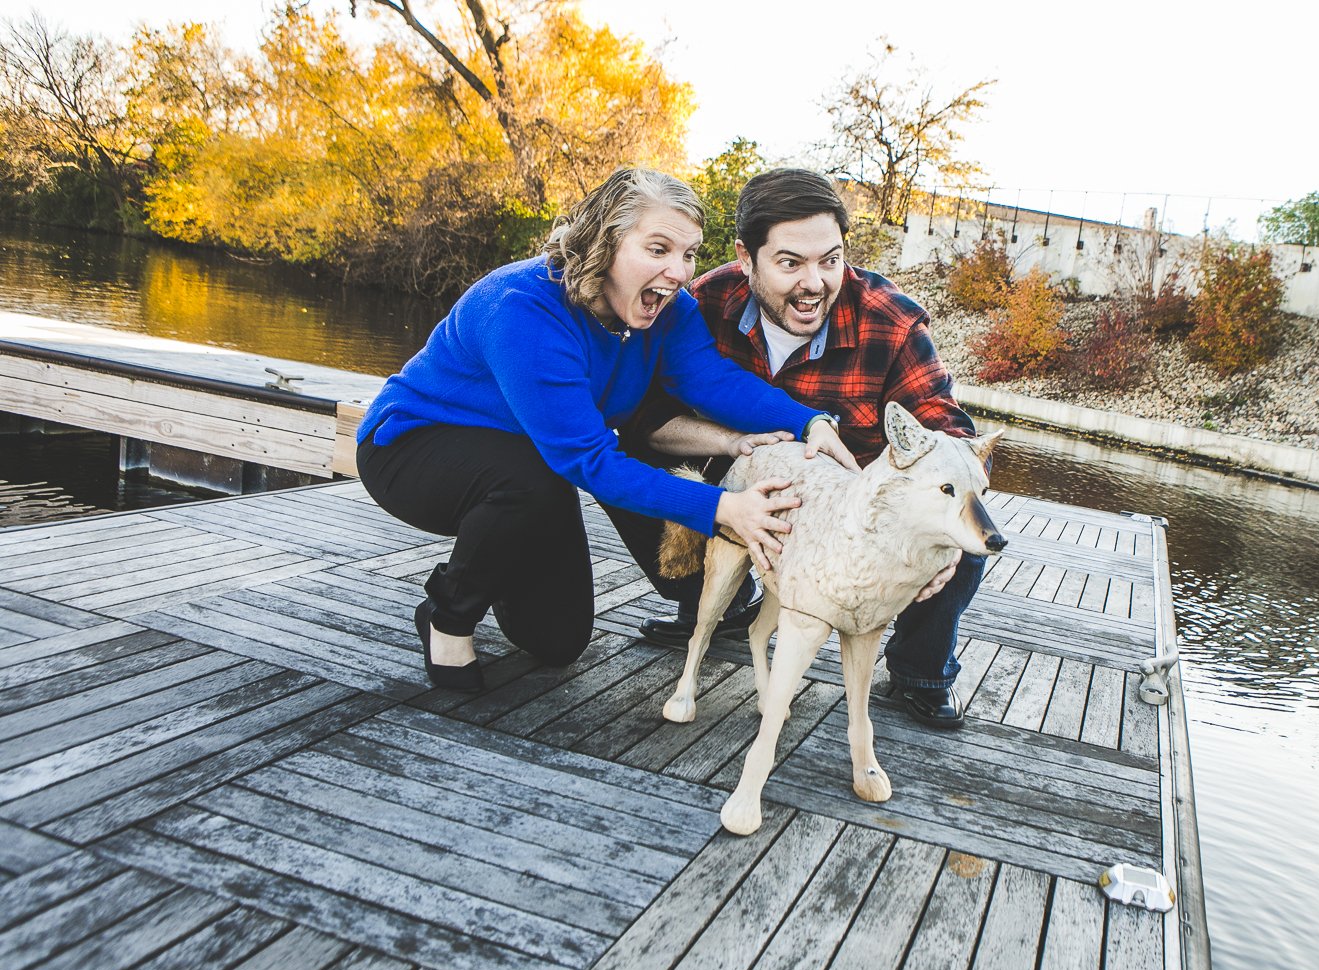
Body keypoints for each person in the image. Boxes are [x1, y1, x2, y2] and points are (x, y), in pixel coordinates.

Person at [356, 167, 857, 691]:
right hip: (414, 449)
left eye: (688, 254)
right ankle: (447, 615)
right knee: (529, 482)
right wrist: (723, 508)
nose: (679, 272)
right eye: (658, 249)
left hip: (533, 464)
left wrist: (809, 421)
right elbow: (589, 460)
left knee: (558, 641)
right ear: (605, 242)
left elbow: (712, 381)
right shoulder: (523, 308)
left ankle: (497, 553)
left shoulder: (667, 309)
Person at [620, 168, 984, 729]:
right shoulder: (703, 301)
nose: (814, 283)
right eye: (790, 263)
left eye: (830, 260)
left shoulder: (892, 322)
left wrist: (948, 535)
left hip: (849, 511)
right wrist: (736, 443)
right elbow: (646, 417)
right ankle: (713, 602)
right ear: (746, 258)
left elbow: (951, 434)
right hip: (740, 483)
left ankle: (921, 671)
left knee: (961, 523)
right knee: (635, 462)